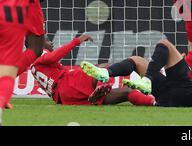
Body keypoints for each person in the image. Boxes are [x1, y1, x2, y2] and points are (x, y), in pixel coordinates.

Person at [82, 21, 192, 108]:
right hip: (173, 97)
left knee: (164, 44)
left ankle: (146, 80)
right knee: (139, 62)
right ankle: (107, 73)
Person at [15, 34, 156, 106]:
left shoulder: (31, 64)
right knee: (103, 69)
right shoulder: (40, 55)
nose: (50, 42)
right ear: (36, 43)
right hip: (68, 84)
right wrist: (77, 40)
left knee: (127, 91)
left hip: (68, 98)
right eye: (46, 39)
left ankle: (154, 103)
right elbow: (52, 57)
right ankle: (101, 86)